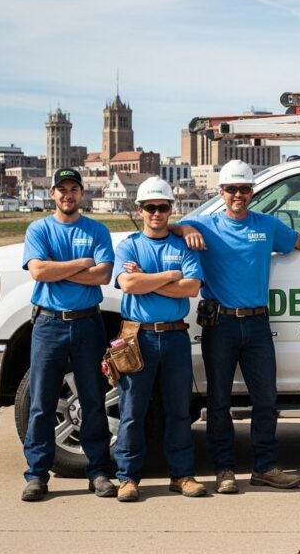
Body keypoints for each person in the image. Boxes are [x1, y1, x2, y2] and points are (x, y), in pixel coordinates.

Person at [175, 160, 300, 494]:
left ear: (252, 192)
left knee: (266, 399)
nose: (238, 195)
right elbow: (166, 227)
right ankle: (224, 470)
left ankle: (265, 467)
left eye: (243, 189)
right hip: (221, 324)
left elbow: (298, 240)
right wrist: (185, 229)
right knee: (219, 402)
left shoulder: (266, 225)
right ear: (220, 192)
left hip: (257, 324)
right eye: (231, 189)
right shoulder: (203, 224)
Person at [20, 168, 116, 501]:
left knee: (93, 401)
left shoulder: (97, 229)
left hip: (89, 324)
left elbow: (103, 275)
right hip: (49, 325)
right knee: (42, 403)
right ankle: (36, 474)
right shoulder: (39, 229)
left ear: (82, 194)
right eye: (62, 190)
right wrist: (80, 264)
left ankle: (100, 471)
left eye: (74, 189)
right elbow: (38, 270)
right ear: (52, 194)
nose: (68, 195)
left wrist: (58, 270)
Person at [111, 177, 207, 502]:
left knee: (178, 410)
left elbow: (191, 288)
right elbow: (127, 284)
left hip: (176, 335)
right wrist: (168, 276)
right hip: (137, 337)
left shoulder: (183, 246)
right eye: (150, 207)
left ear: (170, 209)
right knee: (132, 411)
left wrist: (146, 279)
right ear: (140, 210)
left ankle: (181, 475)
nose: (156, 213)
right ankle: (127, 478)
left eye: (162, 207)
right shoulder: (128, 245)